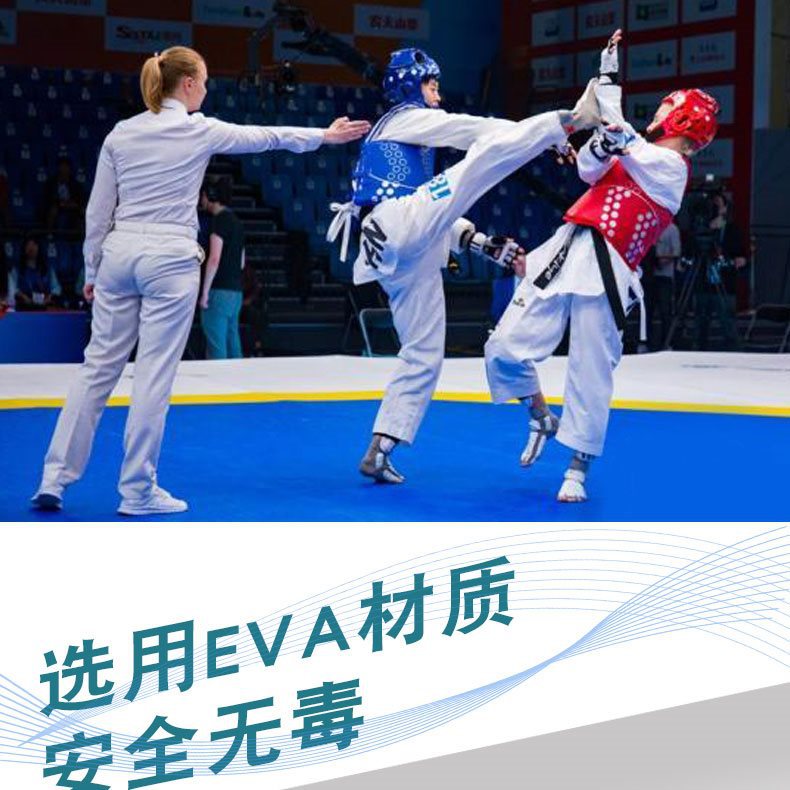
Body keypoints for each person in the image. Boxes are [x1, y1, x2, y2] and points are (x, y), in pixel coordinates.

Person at [32, 45, 370, 516]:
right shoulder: (198, 129)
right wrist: (325, 136)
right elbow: (266, 136)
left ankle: (53, 479)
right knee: (153, 377)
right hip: (170, 259)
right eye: (205, 82)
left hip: (120, 254)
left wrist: (92, 267)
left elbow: (98, 211)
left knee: (96, 370)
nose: (207, 90)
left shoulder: (121, 133)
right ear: (187, 84)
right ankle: (137, 491)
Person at [327, 48, 603, 483]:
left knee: (422, 353)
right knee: (482, 160)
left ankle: (380, 448)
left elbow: (427, 211)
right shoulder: (404, 118)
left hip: (395, 247)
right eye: (431, 84)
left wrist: (478, 242)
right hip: (396, 227)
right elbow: (474, 132)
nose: (438, 94)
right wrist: (556, 131)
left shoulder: (406, 143)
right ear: (410, 85)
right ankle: (574, 116)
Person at [484, 29, 719, 502]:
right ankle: (539, 414)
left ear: (682, 119)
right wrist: (604, 105)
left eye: (668, 108)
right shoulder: (636, 153)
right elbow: (588, 169)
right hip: (567, 247)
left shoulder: (671, 168)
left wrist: (609, 97)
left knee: (590, 367)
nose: (659, 113)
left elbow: (620, 135)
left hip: (609, 266)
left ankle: (578, 465)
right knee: (504, 347)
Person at [199, 176, 245, 359]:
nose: (201, 199)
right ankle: (239, 377)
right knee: (233, 343)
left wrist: (205, 293)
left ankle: (216, 379)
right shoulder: (237, 222)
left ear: (210, 195)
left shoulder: (219, 221)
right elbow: (242, 262)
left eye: (202, 195)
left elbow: (214, 258)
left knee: (216, 346)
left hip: (218, 291)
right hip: (236, 292)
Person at [694, 191, 744, 350]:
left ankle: (732, 353)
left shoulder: (733, 229)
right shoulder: (701, 229)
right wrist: (709, 228)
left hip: (724, 284)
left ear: (725, 208)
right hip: (703, 282)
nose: (715, 208)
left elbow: (740, 256)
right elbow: (692, 251)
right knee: (700, 322)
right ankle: (698, 352)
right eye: (712, 205)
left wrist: (736, 259)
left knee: (727, 323)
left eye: (718, 204)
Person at [13, 236, 61, 310]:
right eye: (28, 245)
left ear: (39, 248)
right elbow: (14, 289)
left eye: (34, 244)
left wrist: (49, 298)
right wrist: (23, 296)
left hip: (45, 304)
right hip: (25, 306)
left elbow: (56, 288)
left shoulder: (48, 269)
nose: (31, 248)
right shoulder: (17, 269)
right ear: (24, 249)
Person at [43, 157, 86, 232]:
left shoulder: (75, 184)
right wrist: (59, 203)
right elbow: (47, 198)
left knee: (83, 211)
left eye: (66, 167)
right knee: (53, 210)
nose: (64, 170)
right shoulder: (51, 183)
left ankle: (79, 236)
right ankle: (49, 234)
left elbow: (80, 199)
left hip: (71, 206)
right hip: (57, 206)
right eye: (62, 167)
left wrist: (74, 204)